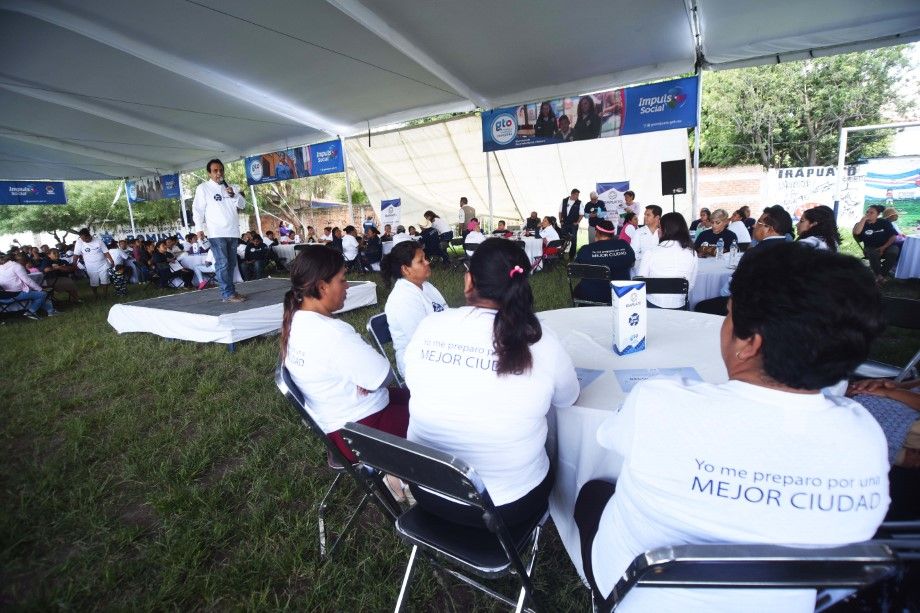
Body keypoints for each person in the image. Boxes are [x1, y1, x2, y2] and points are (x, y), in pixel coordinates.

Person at [576, 242, 890, 612]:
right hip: (779, 605)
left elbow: (608, 438)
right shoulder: (865, 440)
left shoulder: (658, 403)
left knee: (593, 491)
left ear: (750, 343)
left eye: (728, 314)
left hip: (634, 594)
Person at [404, 238, 579, 527]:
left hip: (428, 491)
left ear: (469, 280)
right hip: (509, 507)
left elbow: (413, 381)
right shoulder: (541, 340)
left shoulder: (430, 325)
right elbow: (568, 399)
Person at [280, 246, 409, 461]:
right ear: (322, 287)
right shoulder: (330, 333)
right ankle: (398, 476)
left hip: (340, 425)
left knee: (424, 399)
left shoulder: (297, 320)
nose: (347, 285)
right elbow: (384, 376)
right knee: (440, 420)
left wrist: (367, 379)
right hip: (362, 431)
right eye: (342, 280)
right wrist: (369, 379)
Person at [381, 241, 448, 377]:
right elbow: (423, 340)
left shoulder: (426, 286)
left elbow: (446, 313)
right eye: (421, 261)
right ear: (405, 269)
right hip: (417, 361)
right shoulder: (403, 298)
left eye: (425, 258)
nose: (427, 262)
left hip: (440, 349)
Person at [192, 159, 247, 303]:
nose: (219, 173)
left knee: (231, 264)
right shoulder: (203, 188)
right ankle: (227, 294)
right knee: (222, 264)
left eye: (221, 170)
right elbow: (197, 210)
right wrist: (199, 229)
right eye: (215, 171)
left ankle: (231, 292)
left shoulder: (232, 187)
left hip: (233, 232)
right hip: (216, 232)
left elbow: (243, 205)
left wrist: (234, 195)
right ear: (209, 173)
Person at [636, 212, 698, 309]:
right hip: (681, 307)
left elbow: (640, 283)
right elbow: (691, 285)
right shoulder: (692, 253)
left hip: (652, 306)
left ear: (665, 230)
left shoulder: (651, 253)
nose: (658, 230)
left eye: (659, 227)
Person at [573, 220, 634, 303]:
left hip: (591, 295)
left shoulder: (586, 249)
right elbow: (632, 262)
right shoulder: (624, 245)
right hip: (621, 293)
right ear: (613, 234)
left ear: (597, 233)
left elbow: (576, 268)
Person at [0, 252, 58, 319]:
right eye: (25, 263)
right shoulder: (17, 266)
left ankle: (51, 311)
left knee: (36, 294)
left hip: (4, 294)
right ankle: (31, 312)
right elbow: (27, 281)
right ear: (23, 261)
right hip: (14, 294)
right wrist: (40, 289)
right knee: (42, 294)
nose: (25, 265)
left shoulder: (2, 266)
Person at [853, 205, 900, 283]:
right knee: (873, 253)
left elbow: (893, 236)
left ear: (877, 215)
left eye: (872, 213)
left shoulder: (884, 222)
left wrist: (884, 247)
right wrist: (863, 219)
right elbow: (856, 232)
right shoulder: (861, 224)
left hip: (886, 246)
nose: (868, 214)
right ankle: (879, 276)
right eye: (867, 212)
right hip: (870, 247)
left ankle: (881, 275)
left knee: (894, 250)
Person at [72, 228, 115, 298]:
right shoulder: (79, 242)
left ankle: (105, 295)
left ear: (89, 236)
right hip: (90, 266)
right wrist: (74, 264)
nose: (83, 241)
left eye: (85, 239)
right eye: (82, 239)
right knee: (94, 283)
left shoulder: (98, 241)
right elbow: (76, 254)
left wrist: (112, 261)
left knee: (105, 280)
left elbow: (106, 252)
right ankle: (95, 295)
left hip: (103, 264)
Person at [560, 188, 582, 259]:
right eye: (576, 195)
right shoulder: (564, 200)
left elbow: (581, 214)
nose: (577, 196)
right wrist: (561, 220)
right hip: (564, 224)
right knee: (563, 239)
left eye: (578, 195)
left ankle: (572, 255)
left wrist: (577, 222)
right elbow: (560, 212)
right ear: (572, 194)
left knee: (573, 240)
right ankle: (562, 254)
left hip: (573, 225)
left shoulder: (579, 202)